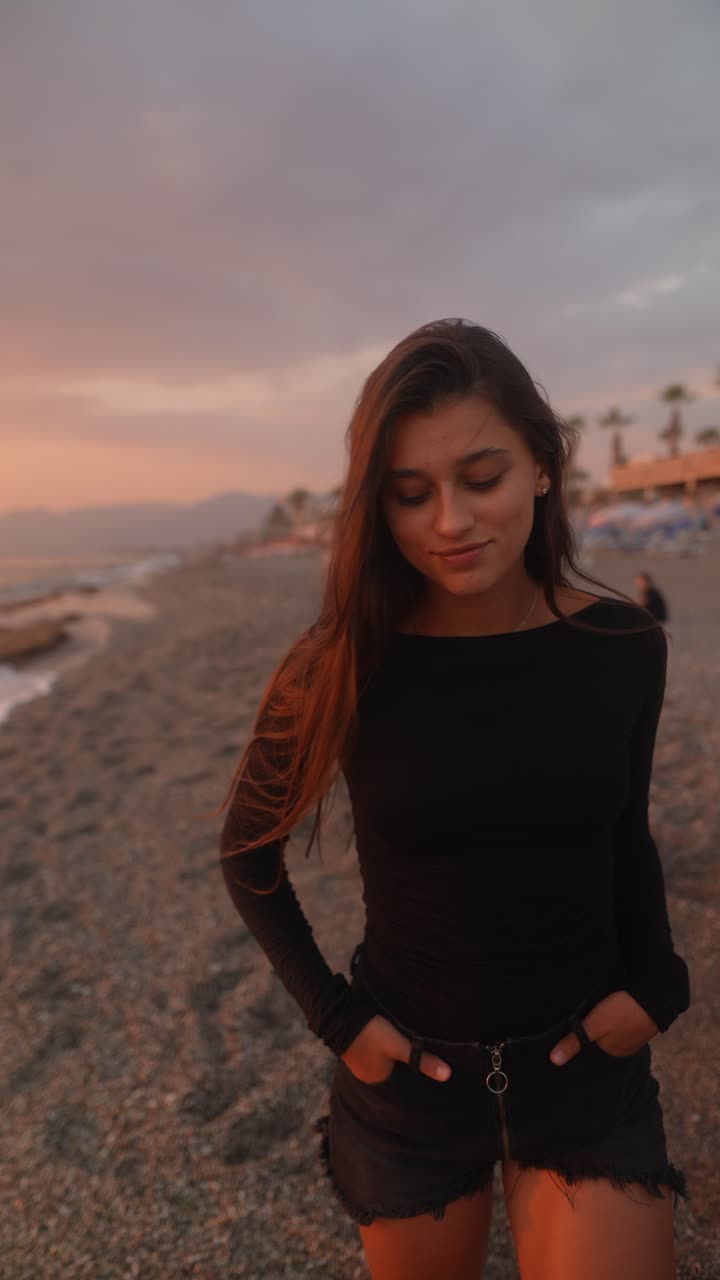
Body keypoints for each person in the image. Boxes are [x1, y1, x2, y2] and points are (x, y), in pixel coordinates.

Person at [217, 319, 690, 1280]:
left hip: (586, 1074)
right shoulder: (339, 664)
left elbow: (624, 834)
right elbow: (246, 854)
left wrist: (657, 982)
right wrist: (338, 1022)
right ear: (376, 506)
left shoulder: (625, 645)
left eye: (483, 478)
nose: (450, 522)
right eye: (410, 494)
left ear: (544, 466)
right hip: (413, 1091)